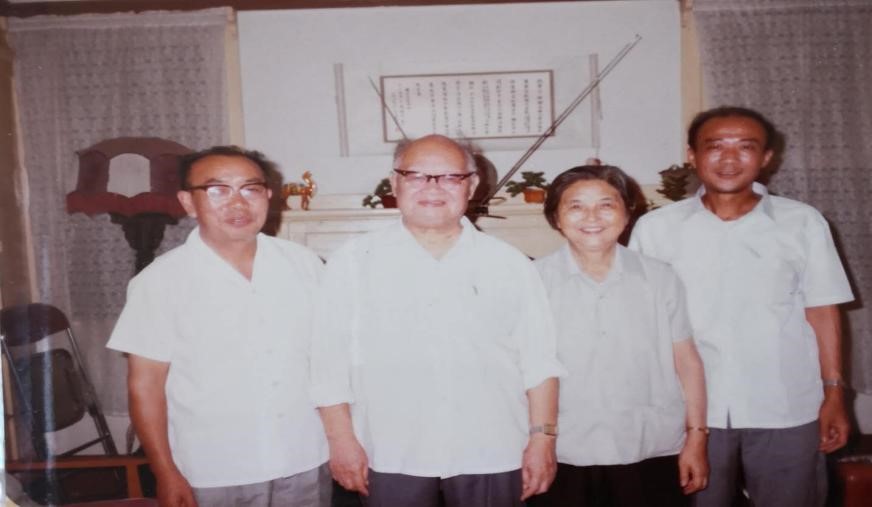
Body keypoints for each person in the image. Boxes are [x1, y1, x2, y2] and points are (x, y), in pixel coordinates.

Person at [310, 134, 565, 507]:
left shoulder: (509, 263)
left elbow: (539, 360)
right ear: (395, 183)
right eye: (416, 176)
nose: (433, 188)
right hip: (390, 450)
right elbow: (327, 362)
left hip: (492, 447)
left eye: (450, 177)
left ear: (471, 186)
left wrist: (543, 439)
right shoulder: (352, 261)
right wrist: (340, 440)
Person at [630, 106, 854, 507]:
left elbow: (822, 311)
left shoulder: (802, 223)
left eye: (745, 147)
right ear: (692, 155)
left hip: (785, 404)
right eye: (715, 146)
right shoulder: (656, 229)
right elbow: (643, 323)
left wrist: (835, 393)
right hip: (689, 411)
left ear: (767, 157)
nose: (729, 158)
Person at [107, 146, 330, 507]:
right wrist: (165, 473)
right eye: (217, 190)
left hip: (304, 457)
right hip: (213, 469)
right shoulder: (159, 282)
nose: (237, 203)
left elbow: (329, 361)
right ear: (188, 202)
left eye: (250, 189)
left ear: (268, 196)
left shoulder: (305, 265)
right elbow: (145, 387)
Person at [529, 165, 708, 507]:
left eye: (606, 205)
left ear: (627, 214)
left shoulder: (660, 278)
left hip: (649, 448)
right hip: (563, 450)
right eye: (576, 206)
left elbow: (687, 362)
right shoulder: (532, 281)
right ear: (555, 217)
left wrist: (697, 437)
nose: (592, 217)